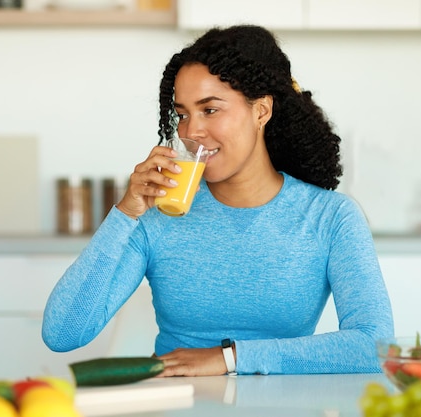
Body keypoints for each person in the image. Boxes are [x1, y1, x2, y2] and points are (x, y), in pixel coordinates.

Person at [42, 24, 394, 376]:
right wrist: (125, 213)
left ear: (261, 111)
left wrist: (230, 359)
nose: (191, 131)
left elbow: (375, 346)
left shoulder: (331, 217)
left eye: (209, 110)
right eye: (182, 114)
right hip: (178, 403)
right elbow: (62, 333)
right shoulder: (157, 214)